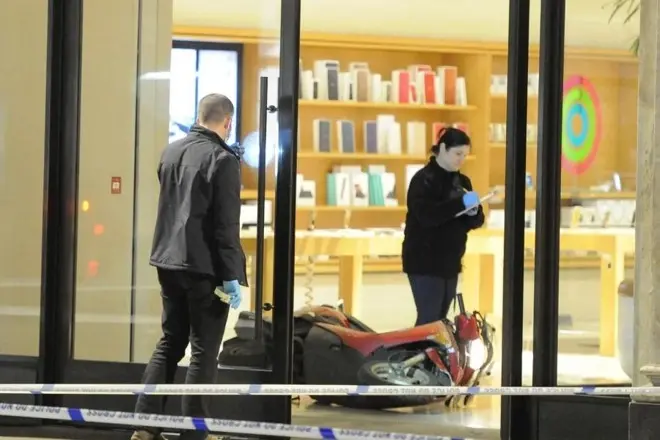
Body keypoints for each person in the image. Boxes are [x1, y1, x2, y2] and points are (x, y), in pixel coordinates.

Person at [131, 93, 247, 440]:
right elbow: (225, 227)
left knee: (170, 341)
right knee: (203, 351)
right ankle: (195, 432)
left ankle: (145, 425)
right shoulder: (222, 160)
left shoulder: (171, 151)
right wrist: (231, 277)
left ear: (200, 116)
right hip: (204, 269)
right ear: (227, 122)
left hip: (167, 262)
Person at [402, 126, 485, 326]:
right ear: (443, 148)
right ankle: (420, 357)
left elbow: (473, 222)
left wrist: (474, 212)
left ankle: (436, 357)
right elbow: (427, 216)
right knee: (429, 319)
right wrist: (461, 204)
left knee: (441, 321)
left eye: (465, 155)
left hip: (450, 260)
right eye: (458, 154)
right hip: (424, 260)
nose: (461, 159)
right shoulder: (423, 180)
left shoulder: (462, 181)